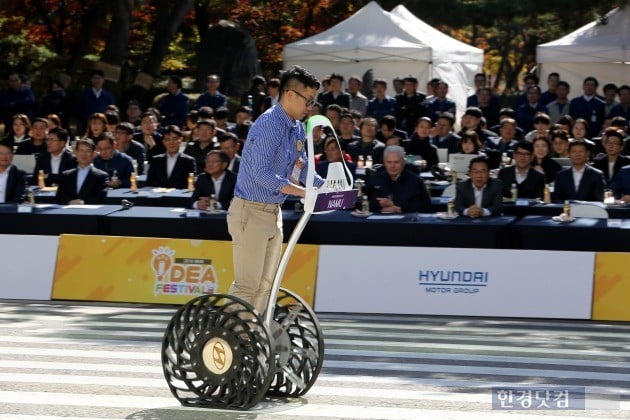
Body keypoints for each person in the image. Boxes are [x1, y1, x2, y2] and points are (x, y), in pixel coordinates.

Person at [228, 65, 324, 314]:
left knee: (266, 286)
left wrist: (325, 187)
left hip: (273, 212)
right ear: (290, 94)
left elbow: (301, 169)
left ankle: (251, 335)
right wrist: (304, 193)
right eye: (308, 100)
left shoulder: (297, 128)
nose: (310, 107)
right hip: (250, 211)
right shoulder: (269, 124)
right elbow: (262, 174)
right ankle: (225, 340)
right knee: (248, 285)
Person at [367, 145, 431, 213]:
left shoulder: (415, 181)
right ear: (384, 162)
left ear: (403, 162)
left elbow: (423, 206)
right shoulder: (376, 179)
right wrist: (380, 207)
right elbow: (367, 202)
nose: (392, 166)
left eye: (396, 162)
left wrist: (397, 207)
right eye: (389, 162)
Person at [55, 138, 109, 205]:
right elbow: (59, 196)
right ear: (75, 152)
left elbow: (100, 198)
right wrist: (70, 202)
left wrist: (81, 202)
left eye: (88, 151)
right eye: (81, 150)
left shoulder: (102, 176)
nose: (84, 154)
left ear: (93, 154)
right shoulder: (66, 175)